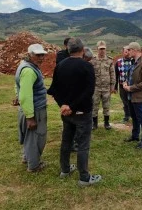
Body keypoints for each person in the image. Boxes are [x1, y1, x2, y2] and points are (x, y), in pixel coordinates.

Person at [47, 38, 102, 187]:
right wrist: (72, 106)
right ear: (82, 50)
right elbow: (89, 91)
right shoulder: (87, 66)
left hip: (66, 113)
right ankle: (84, 178)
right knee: (83, 145)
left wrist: (63, 106)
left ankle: (65, 170)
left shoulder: (60, 66)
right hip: (82, 113)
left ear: (68, 50)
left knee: (66, 141)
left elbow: (53, 90)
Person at [15, 43, 48, 172]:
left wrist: (18, 96)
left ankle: (26, 158)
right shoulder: (29, 70)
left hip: (28, 108)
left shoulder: (24, 66)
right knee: (37, 137)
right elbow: (26, 95)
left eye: (42, 55)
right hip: (35, 110)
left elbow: (19, 87)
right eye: (38, 55)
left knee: (29, 136)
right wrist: (30, 117)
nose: (41, 58)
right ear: (30, 55)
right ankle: (34, 165)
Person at [123, 42, 142, 149]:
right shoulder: (134, 62)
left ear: (135, 50)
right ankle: (135, 136)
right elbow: (132, 75)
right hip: (132, 95)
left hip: (139, 95)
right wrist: (126, 82)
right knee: (134, 117)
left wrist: (131, 88)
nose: (128, 52)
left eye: (130, 50)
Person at [91, 41, 116, 130]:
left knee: (106, 105)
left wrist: (112, 86)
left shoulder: (109, 60)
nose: (102, 51)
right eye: (100, 49)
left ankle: (106, 123)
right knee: (94, 105)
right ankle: (94, 123)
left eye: (103, 49)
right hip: (96, 87)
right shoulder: (93, 60)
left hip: (106, 88)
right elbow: (90, 74)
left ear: (105, 49)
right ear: (97, 49)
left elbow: (112, 74)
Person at [114, 46, 134, 123]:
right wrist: (115, 87)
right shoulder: (118, 62)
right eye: (126, 51)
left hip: (131, 86)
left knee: (132, 101)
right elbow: (116, 75)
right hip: (122, 86)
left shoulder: (133, 61)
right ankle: (126, 115)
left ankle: (133, 115)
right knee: (125, 101)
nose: (127, 53)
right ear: (122, 52)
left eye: (129, 51)